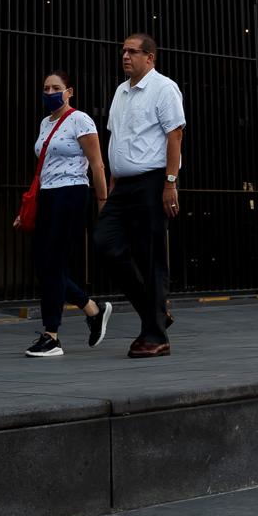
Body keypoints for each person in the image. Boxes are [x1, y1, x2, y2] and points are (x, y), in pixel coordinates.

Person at [92, 33, 185, 358]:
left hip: (152, 182)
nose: (125, 56)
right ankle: (154, 311)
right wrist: (114, 181)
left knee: (151, 258)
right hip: (124, 185)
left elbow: (174, 135)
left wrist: (169, 183)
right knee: (104, 243)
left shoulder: (164, 88)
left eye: (132, 52)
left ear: (150, 57)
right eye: (123, 52)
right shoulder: (121, 92)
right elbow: (119, 138)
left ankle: (155, 335)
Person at [19, 69, 112, 358]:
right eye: (45, 88)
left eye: (55, 87)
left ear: (69, 91)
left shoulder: (80, 119)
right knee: (44, 264)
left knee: (53, 262)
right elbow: (43, 168)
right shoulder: (45, 123)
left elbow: (97, 165)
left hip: (72, 193)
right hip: (47, 195)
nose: (49, 93)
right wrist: (28, 209)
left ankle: (52, 335)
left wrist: (102, 201)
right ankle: (92, 309)